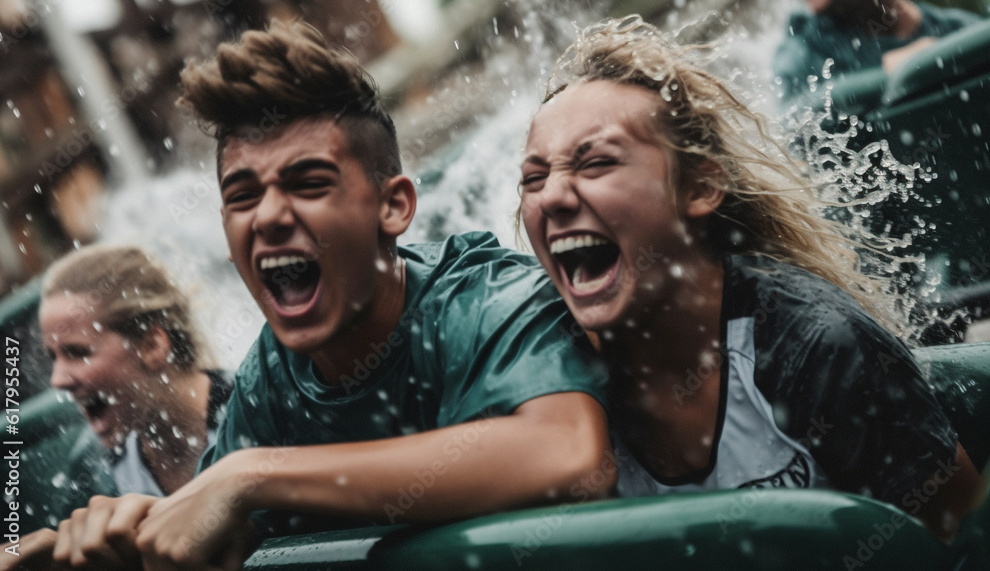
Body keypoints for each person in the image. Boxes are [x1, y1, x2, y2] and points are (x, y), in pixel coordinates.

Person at [50, 20, 612, 570]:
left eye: (309, 183)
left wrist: (255, 474)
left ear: (394, 207)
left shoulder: (485, 297)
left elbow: (569, 458)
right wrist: (114, 537)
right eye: (243, 196)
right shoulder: (266, 381)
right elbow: (215, 524)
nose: (268, 215)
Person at [518, 15, 984, 540]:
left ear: (699, 189)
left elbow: (958, 537)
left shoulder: (817, 347)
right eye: (533, 177)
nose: (552, 196)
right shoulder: (535, 369)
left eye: (597, 163)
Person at [0, 244, 231, 570]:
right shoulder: (94, 468)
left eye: (77, 352)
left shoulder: (256, 407)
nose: (57, 380)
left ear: (152, 344)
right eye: (53, 357)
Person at [773, 0, 983, 106]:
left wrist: (929, 57)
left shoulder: (962, 27)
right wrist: (885, 77)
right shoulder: (808, 46)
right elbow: (787, 122)